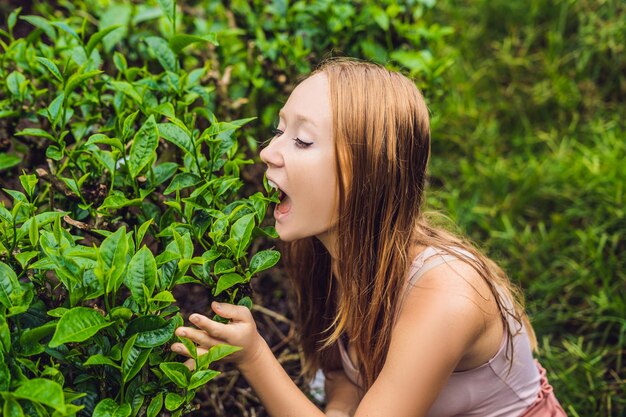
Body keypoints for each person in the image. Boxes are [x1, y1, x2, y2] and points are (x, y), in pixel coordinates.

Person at [171, 58, 566, 417]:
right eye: (279, 130)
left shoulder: (448, 295)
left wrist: (254, 356)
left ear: (367, 174)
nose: (269, 153)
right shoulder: (320, 249)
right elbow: (342, 370)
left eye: (302, 140)